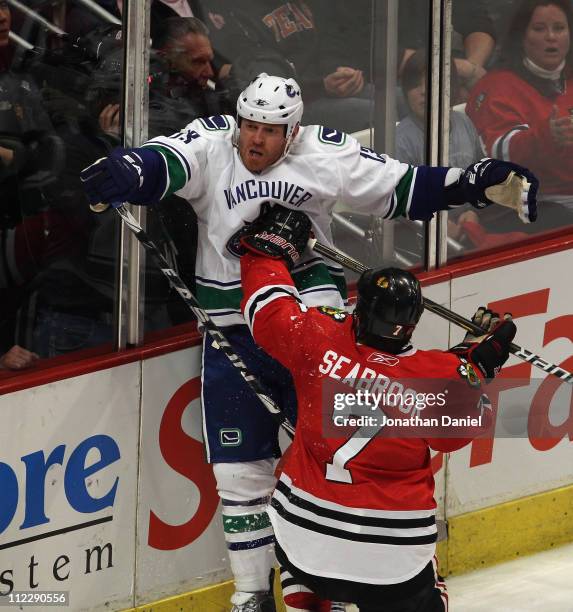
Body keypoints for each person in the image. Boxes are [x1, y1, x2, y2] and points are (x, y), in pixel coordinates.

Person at [79, 73, 538, 611]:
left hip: (312, 329)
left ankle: (324, 589)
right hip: (234, 331)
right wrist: (128, 170)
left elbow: (406, 188)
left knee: (329, 462)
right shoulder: (212, 141)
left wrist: (471, 183)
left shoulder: (325, 154)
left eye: (270, 131)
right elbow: (164, 162)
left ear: (292, 132)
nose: (254, 139)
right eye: (249, 125)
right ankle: (253, 594)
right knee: (238, 472)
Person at [233, 204, 517, 611]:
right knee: (426, 580)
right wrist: (479, 365)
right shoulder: (437, 376)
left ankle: (304, 600)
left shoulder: (318, 337)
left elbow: (268, 309)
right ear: (414, 322)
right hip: (392, 565)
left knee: (294, 512)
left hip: (306, 545)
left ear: (360, 310)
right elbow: (469, 419)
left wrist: (268, 252)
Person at [466, 0, 573, 233]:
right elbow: (497, 156)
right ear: (521, 36)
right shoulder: (495, 87)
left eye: (559, 28)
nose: (551, 36)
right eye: (539, 29)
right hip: (523, 206)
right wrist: (545, 137)